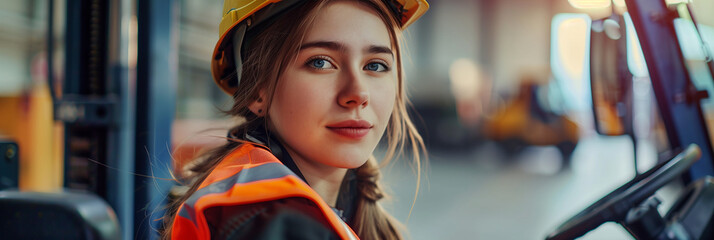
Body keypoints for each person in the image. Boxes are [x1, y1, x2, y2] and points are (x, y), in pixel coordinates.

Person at [163, 0, 428, 239]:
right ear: (257, 90)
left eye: (375, 65)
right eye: (321, 63)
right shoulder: (268, 219)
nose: (358, 94)